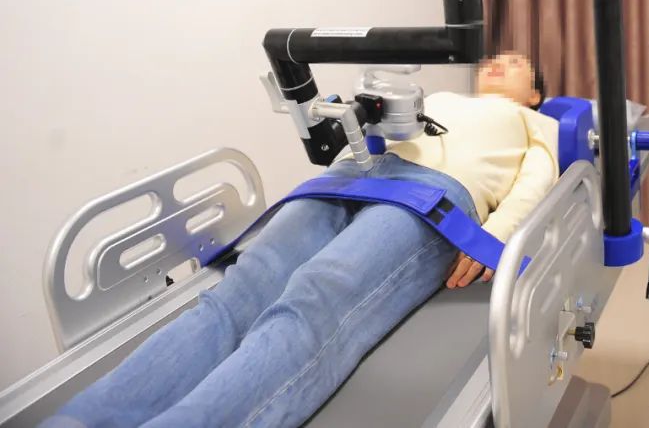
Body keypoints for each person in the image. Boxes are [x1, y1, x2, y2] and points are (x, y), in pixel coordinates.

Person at [45, 52, 557, 428]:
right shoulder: (442, 98)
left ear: (535, 93)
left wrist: (494, 236)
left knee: (316, 296)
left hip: (433, 199)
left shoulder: (532, 120)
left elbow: (538, 180)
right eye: (495, 57)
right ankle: (84, 418)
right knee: (240, 290)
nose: (498, 62)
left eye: (515, 63)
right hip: (350, 175)